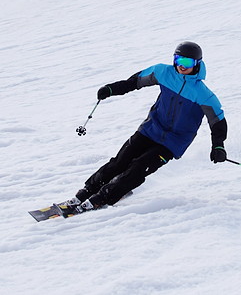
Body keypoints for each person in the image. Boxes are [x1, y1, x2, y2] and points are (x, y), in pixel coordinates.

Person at [55, 41, 228, 216]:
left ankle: (102, 197)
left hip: (174, 141)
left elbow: (217, 121)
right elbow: (135, 82)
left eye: (188, 62)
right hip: (151, 129)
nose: (182, 66)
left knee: (138, 168)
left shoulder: (204, 94)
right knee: (120, 161)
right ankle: (86, 192)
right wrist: (111, 89)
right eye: (179, 60)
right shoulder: (163, 72)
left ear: (197, 64)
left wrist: (218, 146)